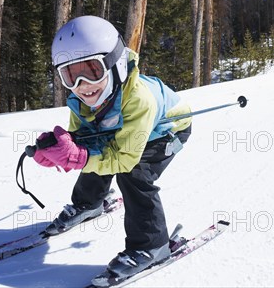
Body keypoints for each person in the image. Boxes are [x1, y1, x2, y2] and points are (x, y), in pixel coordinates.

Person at [33, 15, 192, 279]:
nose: (82, 85)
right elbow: (84, 140)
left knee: (134, 173)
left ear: (114, 64)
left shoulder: (139, 99)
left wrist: (80, 158)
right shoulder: (81, 100)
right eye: (70, 75)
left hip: (168, 130)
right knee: (95, 149)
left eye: (91, 70)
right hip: (129, 132)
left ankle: (152, 246)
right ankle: (89, 202)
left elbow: (124, 159)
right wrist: (58, 151)